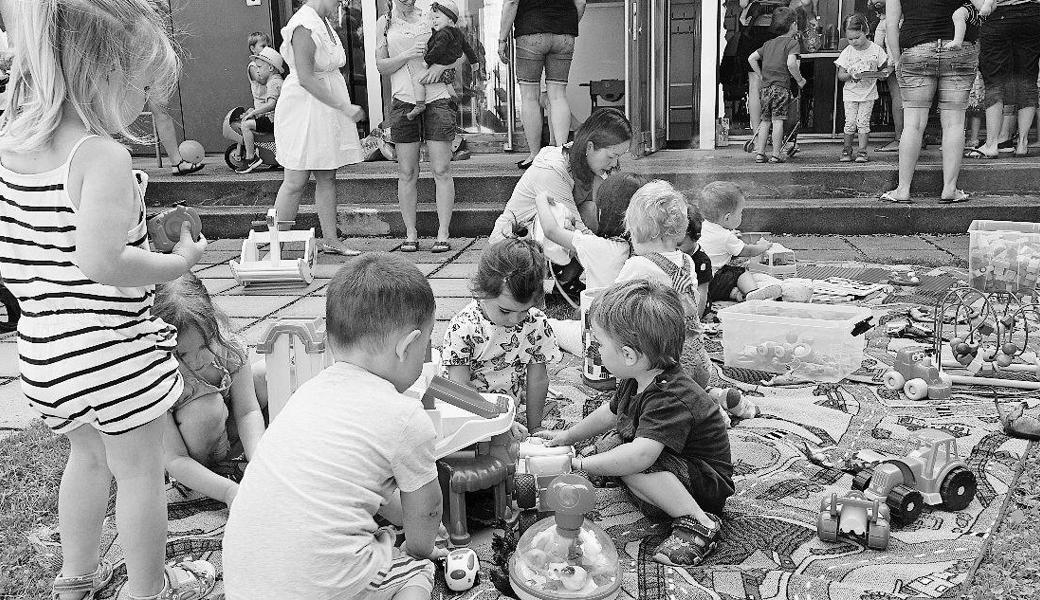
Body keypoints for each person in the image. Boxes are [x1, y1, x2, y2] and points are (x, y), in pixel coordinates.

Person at [0, 1, 217, 599]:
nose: (146, 102)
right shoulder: (102, 156)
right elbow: (102, 263)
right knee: (140, 474)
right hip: (109, 350)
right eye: (142, 85)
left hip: (45, 349)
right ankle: (149, 589)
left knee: (87, 460)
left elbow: (44, 242)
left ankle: (74, 579)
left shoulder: (13, 146)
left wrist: (137, 230)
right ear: (102, 73)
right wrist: (176, 263)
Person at [223, 254, 446, 599]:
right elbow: (427, 510)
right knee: (416, 571)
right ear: (406, 347)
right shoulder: (405, 419)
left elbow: (354, 487)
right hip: (323, 586)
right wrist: (422, 546)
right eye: (426, 343)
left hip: (246, 581)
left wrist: (402, 515)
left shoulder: (308, 395)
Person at [537, 280, 734, 567]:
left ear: (629, 355)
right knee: (613, 446)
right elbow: (611, 412)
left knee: (629, 459)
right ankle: (639, 483)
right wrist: (568, 436)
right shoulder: (638, 377)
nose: (597, 350)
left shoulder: (671, 396)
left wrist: (579, 465)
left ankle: (698, 522)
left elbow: (641, 456)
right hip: (670, 460)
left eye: (601, 344)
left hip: (703, 484)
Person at [614, 181, 757, 424]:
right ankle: (719, 396)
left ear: (641, 232)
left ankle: (709, 413)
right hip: (698, 356)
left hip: (668, 362)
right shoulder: (687, 262)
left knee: (644, 394)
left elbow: (612, 300)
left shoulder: (638, 265)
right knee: (687, 389)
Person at [153, 273, 266, 506]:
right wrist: (228, 493)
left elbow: (247, 412)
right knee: (207, 409)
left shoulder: (228, 349)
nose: (198, 360)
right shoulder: (154, 378)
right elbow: (174, 457)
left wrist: (259, 463)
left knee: (267, 374)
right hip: (186, 457)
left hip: (226, 434)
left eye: (206, 344)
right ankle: (206, 479)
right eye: (181, 354)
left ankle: (239, 461)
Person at [272, 0, 366, 256]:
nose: (342, 2)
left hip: (325, 109)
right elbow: (306, 78)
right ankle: (275, 246)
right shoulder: (304, 24)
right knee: (295, 179)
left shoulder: (325, 22)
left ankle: (331, 240)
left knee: (327, 175)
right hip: (304, 109)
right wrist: (344, 107)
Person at [441, 238, 561, 433]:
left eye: (524, 310)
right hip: (466, 409)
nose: (515, 319)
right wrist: (499, 421)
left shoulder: (535, 323)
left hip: (508, 405)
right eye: (505, 311)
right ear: (482, 292)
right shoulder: (464, 328)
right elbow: (458, 387)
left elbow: (537, 379)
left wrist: (535, 427)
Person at [376, 0, 466, 254]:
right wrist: (406, 55)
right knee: (407, 172)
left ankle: (443, 233)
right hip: (403, 102)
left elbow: (457, 53)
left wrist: (441, 66)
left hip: (437, 99)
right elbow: (381, 66)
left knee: (442, 169)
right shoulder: (384, 23)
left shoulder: (431, 18)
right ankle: (411, 234)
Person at [878, 0, 989, 204]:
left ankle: (903, 190)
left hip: (917, 48)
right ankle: (949, 188)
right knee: (954, 123)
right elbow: (985, 6)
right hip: (959, 47)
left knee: (913, 124)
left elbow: (891, 25)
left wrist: (897, 58)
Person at [489, 108, 632, 246]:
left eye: (619, 156)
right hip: (511, 249)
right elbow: (578, 232)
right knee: (571, 223)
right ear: (589, 147)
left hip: (550, 240)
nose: (614, 163)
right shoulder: (552, 170)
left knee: (590, 210)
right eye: (612, 156)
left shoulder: (592, 165)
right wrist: (612, 253)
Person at [499, 0, 587, 169]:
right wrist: (568, 25)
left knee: (530, 97)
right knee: (558, 95)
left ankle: (535, 155)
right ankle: (561, 154)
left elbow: (511, 2)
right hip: (564, 34)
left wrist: (502, 39)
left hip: (531, 31)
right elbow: (581, 2)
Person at [532, 172, 645, 290]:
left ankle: (562, 283)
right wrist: (574, 231)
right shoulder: (643, 249)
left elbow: (551, 231)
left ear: (601, 212)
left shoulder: (601, 247)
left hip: (601, 306)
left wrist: (541, 200)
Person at [969, 0, 1040, 159]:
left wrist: (984, 6)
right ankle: (1023, 143)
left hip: (999, 14)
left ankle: (992, 144)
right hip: (1032, 14)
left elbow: (981, 5)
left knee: (995, 80)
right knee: (1028, 77)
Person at [698, 182, 780, 303]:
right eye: (740, 212)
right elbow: (747, 251)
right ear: (727, 218)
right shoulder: (726, 237)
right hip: (713, 281)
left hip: (699, 282)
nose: (741, 216)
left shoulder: (702, 227)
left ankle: (735, 294)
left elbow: (716, 242)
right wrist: (762, 247)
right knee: (739, 272)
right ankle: (752, 292)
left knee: (726, 273)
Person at [748, 7, 806, 163]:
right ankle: (775, 154)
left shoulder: (768, 44)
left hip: (766, 89)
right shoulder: (792, 43)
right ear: (793, 25)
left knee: (765, 120)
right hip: (781, 88)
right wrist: (799, 80)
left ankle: (760, 153)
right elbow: (791, 64)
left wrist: (760, 75)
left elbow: (751, 58)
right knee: (778, 120)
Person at [835, 14, 888, 163]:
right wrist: (852, 75)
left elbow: (885, 69)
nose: (853, 42)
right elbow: (841, 75)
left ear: (866, 31)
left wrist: (880, 75)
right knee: (850, 122)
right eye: (850, 39)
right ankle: (847, 149)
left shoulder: (876, 50)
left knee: (863, 123)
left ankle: (862, 151)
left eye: (857, 37)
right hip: (850, 94)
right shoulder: (848, 51)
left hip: (868, 94)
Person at [406, 0, 464, 120]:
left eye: (436, 17)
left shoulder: (442, 33)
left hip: (438, 96)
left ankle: (420, 105)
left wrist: (435, 64)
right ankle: (453, 99)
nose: (434, 20)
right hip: (440, 80)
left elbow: (456, 55)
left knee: (418, 80)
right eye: (432, 18)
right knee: (447, 83)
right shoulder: (442, 31)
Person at [237, 47, 285, 174]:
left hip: (273, 120)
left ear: (270, 68)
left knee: (246, 125)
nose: (257, 70)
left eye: (259, 67)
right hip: (277, 119)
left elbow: (271, 105)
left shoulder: (273, 83)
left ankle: (251, 158)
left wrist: (254, 112)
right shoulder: (277, 80)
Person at [870, 0, 905, 153]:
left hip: (893, 59)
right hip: (915, 53)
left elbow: (877, 48)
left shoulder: (886, 22)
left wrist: (882, 66)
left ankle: (900, 138)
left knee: (898, 97)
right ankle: (916, 137)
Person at [677, 196, 715, 320]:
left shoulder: (701, 261)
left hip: (698, 306)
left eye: (679, 244)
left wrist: (696, 319)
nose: (674, 247)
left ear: (695, 236)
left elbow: (702, 294)